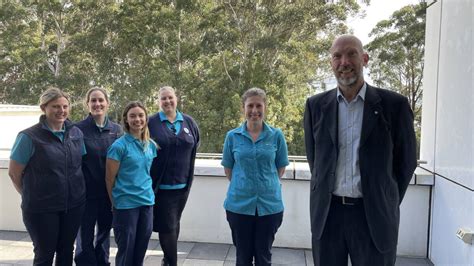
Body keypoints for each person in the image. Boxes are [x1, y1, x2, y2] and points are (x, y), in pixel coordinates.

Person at [303, 34, 417, 266]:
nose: (344, 62)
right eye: (337, 56)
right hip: (328, 215)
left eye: (351, 54)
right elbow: (315, 159)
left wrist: (385, 198)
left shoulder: (394, 106)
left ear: (364, 58)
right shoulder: (315, 106)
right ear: (331, 63)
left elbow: (406, 163)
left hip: (373, 216)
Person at [8, 87, 86, 265]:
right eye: (55, 106)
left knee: (67, 250)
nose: (61, 110)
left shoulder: (76, 133)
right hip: (42, 208)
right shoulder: (28, 137)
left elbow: (77, 165)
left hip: (73, 205)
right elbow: (14, 173)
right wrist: (31, 194)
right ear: (44, 108)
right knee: (45, 254)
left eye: (65, 106)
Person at [221, 87, 289, 266]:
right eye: (250, 106)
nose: (254, 111)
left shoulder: (276, 136)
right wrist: (245, 184)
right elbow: (229, 170)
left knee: (263, 257)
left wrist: (264, 184)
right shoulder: (232, 137)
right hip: (239, 206)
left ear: (265, 107)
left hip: (269, 206)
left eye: (259, 105)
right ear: (243, 108)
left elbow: (280, 168)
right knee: (242, 258)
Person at [148, 86, 200, 266]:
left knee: (174, 223)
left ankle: (166, 260)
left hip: (183, 186)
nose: (167, 101)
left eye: (170, 97)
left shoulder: (188, 122)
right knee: (168, 225)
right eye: (163, 99)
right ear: (158, 102)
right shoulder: (151, 122)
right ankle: (171, 262)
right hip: (161, 187)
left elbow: (194, 146)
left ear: (176, 98)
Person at [74, 87, 122, 266]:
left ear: (107, 103)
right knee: (84, 237)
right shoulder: (77, 130)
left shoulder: (116, 130)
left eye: (101, 100)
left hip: (108, 194)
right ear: (87, 104)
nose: (97, 104)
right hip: (85, 195)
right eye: (93, 100)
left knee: (103, 235)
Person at [105, 101, 157, 266]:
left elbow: (146, 172)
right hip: (126, 205)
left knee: (141, 249)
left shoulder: (151, 145)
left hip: (147, 202)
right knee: (126, 250)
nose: (137, 119)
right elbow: (109, 178)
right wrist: (115, 203)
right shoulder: (118, 146)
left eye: (141, 115)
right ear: (126, 120)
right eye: (132, 116)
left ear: (146, 118)